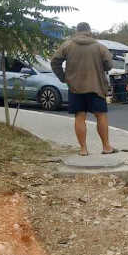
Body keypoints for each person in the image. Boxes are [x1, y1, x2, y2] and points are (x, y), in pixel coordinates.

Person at [51, 22, 116, 156]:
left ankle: (83, 149)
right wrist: (101, 67)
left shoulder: (67, 45)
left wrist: (63, 77)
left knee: (80, 116)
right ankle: (106, 147)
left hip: (75, 87)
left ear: (77, 31)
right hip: (96, 86)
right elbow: (109, 65)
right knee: (101, 116)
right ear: (89, 31)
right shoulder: (100, 47)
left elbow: (54, 61)